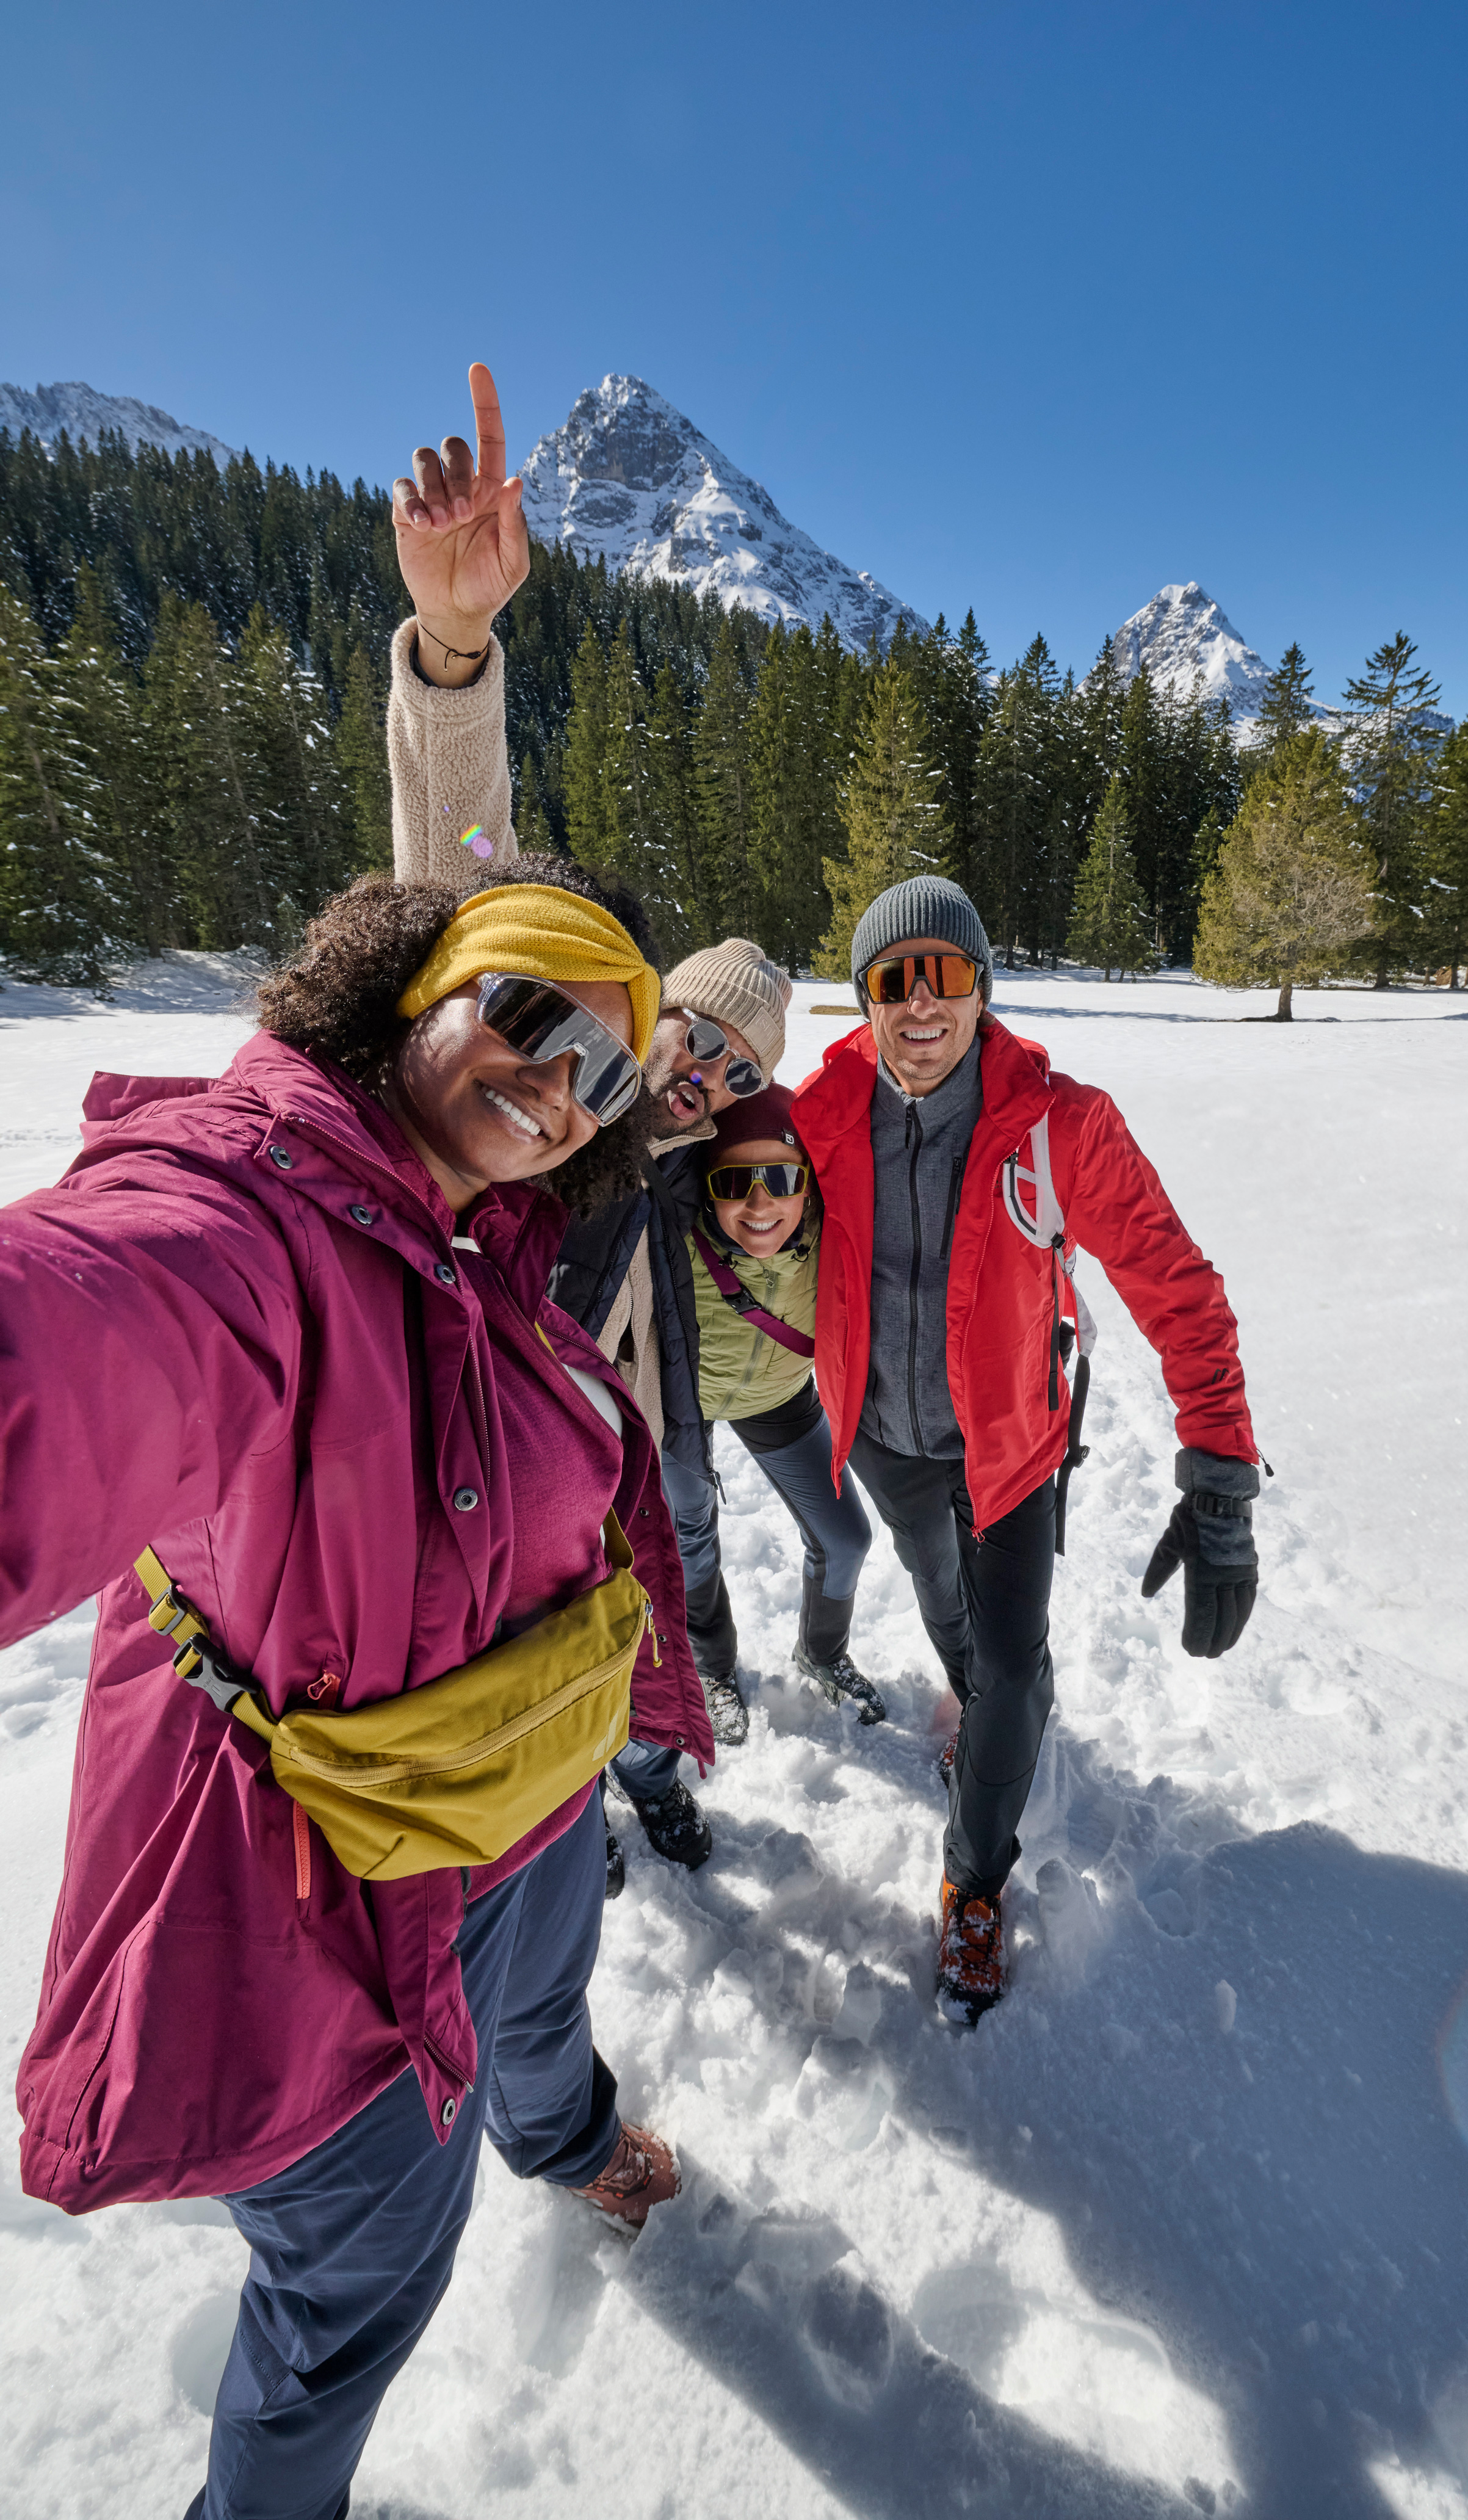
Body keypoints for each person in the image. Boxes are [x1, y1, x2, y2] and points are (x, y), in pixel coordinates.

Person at [0, 855, 710, 2519]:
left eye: (603, 1072)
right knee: (355, 2295)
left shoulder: (490, 1231)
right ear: (416, 986)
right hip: (324, 1906)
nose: (554, 1084)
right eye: (530, 1015)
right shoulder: (248, 1213)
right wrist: (454, 669)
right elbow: (81, 1338)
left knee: (543, 2021)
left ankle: (564, 2135)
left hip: (524, 1812)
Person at [386, 363, 792, 1876]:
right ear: (645, 1011)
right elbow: (462, 879)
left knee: (617, 1639)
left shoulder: (687, 1152)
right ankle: (567, 1831)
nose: (697, 1076)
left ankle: (639, 1788)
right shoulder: (555, 1115)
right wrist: (455, 649)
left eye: (733, 1074)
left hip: (601, 1465)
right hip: (460, 1477)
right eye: (686, 1039)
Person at [793, 875, 1260, 2024]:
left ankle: (975, 1876)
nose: (918, 1004)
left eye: (943, 975)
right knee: (946, 1613)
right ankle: (971, 1696)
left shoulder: (1061, 1125)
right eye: (890, 980)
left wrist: (1218, 1471)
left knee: (1010, 1659)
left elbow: (1181, 1292)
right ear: (861, 999)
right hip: (884, 1444)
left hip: (1010, 1454)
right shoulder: (815, 1115)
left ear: (981, 988)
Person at [685, 1084, 881, 1723]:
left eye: (781, 1177)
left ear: (810, 1183)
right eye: (735, 1181)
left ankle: (821, 1654)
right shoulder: (668, 1237)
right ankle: (712, 1670)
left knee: (846, 1539)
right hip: (675, 1407)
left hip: (780, 1397)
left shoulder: (836, 1230)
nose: (760, 1202)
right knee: (690, 1544)